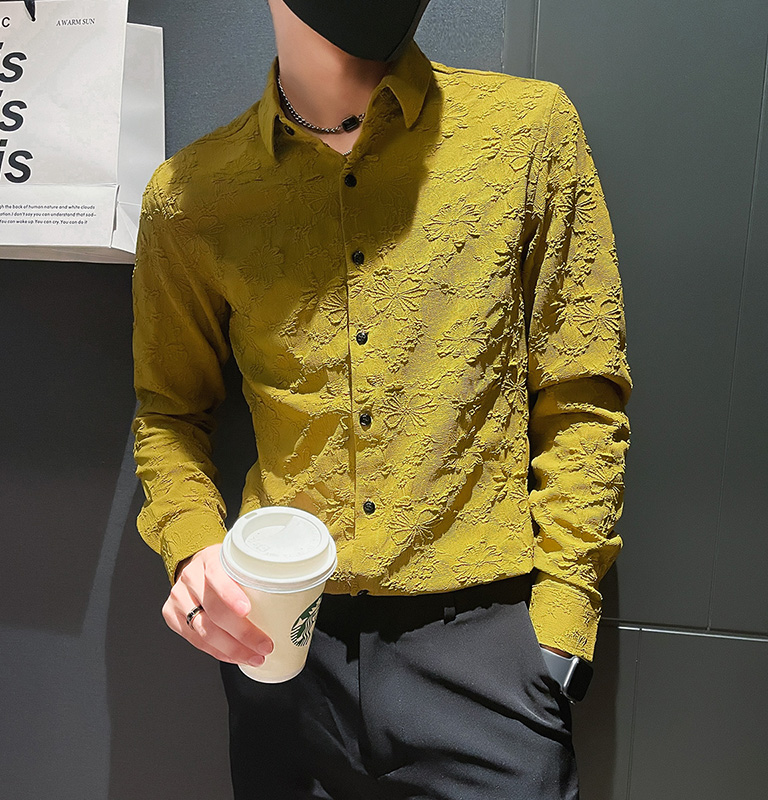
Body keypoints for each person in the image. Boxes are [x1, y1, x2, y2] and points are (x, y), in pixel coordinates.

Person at [130, 0, 632, 797]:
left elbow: (581, 393)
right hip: (281, 647)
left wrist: (560, 633)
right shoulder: (191, 196)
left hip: (486, 655)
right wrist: (194, 550)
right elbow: (169, 413)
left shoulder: (527, 135)